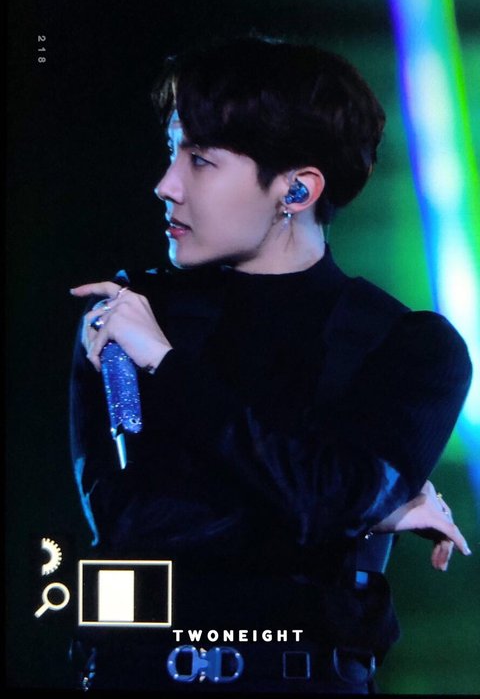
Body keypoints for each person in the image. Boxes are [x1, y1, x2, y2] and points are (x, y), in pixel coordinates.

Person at [69, 35, 472, 694]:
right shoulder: (130, 313)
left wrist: (169, 367)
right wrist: (362, 512)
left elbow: (325, 500)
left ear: (297, 189)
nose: (166, 184)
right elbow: (135, 527)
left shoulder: (411, 347)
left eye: (200, 160)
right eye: (172, 151)